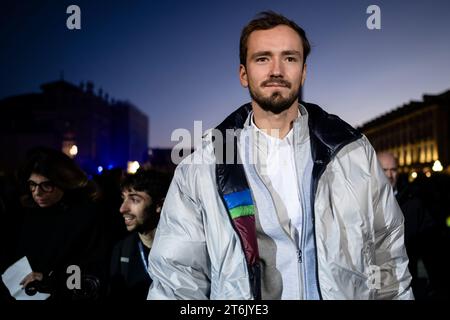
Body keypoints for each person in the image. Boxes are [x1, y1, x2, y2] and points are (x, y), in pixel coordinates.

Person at [147, 11, 413, 300]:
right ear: (243, 74)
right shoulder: (201, 168)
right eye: (262, 58)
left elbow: (388, 254)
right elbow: (176, 281)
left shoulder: (353, 153)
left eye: (289, 58)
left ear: (304, 71)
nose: (276, 70)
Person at [9, 147, 108, 300]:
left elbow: (92, 273)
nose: (37, 192)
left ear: (65, 182)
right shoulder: (28, 214)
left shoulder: (87, 217)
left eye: (46, 185)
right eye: (32, 185)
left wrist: (50, 281)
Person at [377, 151, 448, 299]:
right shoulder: (365, 206)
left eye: (394, 170)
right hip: (375, 287)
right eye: (384, 170)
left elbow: (433, 249)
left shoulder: (413, 204)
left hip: (406, 286)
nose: (390, 175)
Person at [108, 169, 170, 300]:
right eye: (123, 199)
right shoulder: (122, 250)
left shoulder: (183, 250)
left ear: (160, 205)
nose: (122, 208)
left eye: (134, 200)